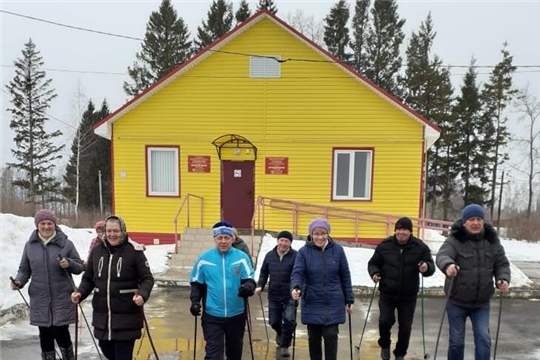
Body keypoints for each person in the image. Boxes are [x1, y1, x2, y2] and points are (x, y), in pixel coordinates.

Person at [71, 215, 154, 360]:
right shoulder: (97, 251)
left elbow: (147, 279)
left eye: (116, 231)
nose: (112, 234)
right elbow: (88, 279)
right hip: (103, 317)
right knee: (107, 350)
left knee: (122, 355)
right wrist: (80, 293)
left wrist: (142, 294)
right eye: (108, 231)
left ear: (123, 231)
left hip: (127, 315)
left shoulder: (135, 252)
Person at [436, 204, 510, 360]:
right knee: (456, 342)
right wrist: (448, 265)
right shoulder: (454, 240)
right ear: (464, 222)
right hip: (456, 301)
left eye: (479, 219)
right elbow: (443, 255)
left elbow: (501, 263)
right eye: (471, 219)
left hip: (481, 304)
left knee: (483, 339)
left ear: (483, 221)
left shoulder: (492, 241)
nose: (475, 223)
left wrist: (502, 279)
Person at [11, 209, 84, 360]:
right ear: (37, 225)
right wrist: (19, 281)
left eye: (49, 223)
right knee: (44, 335)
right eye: (42, 223)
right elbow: (24, 269)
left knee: (60, 332)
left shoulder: (66, 244)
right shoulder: (30, 246)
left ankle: (68, 357)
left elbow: (79, 267)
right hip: (40, 298)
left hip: (62, 297)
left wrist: (68, 263)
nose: (46, 227)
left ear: (54, 225)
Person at [367, 217, 435, 360]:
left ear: (410, 232)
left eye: (405, 230)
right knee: (385, 321)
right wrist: (374, 273)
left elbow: (430, 266)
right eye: (399, 229)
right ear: (395, 230)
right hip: (387, 293)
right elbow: (373, 263)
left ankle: (400, 353)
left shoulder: (420, 247)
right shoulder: (385, 246)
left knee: (405, 326)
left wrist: (425, 267)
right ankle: (384, 344)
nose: (401, 232)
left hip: (408, 295)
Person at [190, 221, 256, 359]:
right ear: (215, 239)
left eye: (227, 238)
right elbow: (197, 283)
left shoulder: (241, 257)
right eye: (220, 238)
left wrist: (248, 288)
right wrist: (195, 302)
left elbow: (249, 279)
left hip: (236, 314)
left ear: (233, 239)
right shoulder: (204, 259)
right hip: (212, 315)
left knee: (234, 353)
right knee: (213, 354)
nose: (223, 241)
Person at [290, 218, 354, 360]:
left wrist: (349, 299)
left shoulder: (338, 250)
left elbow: (345, 275)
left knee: (331, 335)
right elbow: (298, 272)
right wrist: (296, 287)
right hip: (312, 300)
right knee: (314, 338)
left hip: (334, 300)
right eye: (316, 233)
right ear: (311, 234)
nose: (320, 237)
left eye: (323, 233)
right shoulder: (303, 252)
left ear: (328, 234)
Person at [255, 230, 298, 357]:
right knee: (273, 321)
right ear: (278, 241)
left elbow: (299, 273)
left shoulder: (296, 256)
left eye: (287, 241)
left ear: (290, 243)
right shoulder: (269, 255)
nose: (283, 243)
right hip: (274, 294)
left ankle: (285, 345)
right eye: (282, 240)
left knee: (289, 319)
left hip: (290, 294)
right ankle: (283, 332)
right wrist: (260, 286)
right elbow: (264, 273)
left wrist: (297, 288)